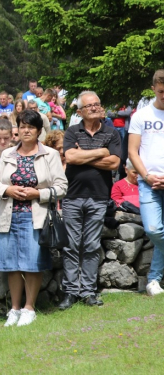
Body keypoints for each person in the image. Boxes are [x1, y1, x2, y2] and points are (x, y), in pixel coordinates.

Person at [0, 110, 68, 326]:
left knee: (32, 263)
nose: (26, 130)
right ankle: (14, 309)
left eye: (30, 127)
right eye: (22, 126)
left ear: (39, 131)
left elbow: (62, 187)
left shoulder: (50, 155)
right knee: (12, 264)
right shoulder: (7, 154)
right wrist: (8, 190)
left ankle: (29, 308)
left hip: (36, 216)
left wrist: (38, 194)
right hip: (9, 215)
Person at [59, 91, 121, 310]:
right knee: (71, 245)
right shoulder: (72, 131)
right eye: (89, 106)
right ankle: (70, 291)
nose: (95, 107)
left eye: (97, 104)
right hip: (72, 197)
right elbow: (70, 157)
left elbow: (114, 164)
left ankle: (88, 291)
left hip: (98, 197)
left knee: (92, 245)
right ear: (79, 112)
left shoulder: (112, 133)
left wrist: (84, 155)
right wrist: (101, 152)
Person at [128, 69, 164, 296]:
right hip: (148, 182)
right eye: (161, 92)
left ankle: (154, 280)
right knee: (153, 229)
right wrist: (147, 176)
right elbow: (133, 151)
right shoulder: (141, 116)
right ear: (153, 89)